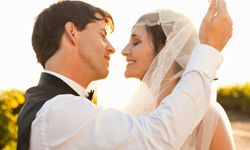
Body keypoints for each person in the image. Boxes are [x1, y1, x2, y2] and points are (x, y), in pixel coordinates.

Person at [17, 0, 232, 149]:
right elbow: (155, 139)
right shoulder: (59, 111)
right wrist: (209, 48)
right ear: (72, 33)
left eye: (136, 42)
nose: (114, 48)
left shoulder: (57, 107)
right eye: (103, 35)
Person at [122, 5, 235, 150]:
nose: (124, 51)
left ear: (167, 50)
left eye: (136, 42)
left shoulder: (206, 115)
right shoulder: (137, 113)